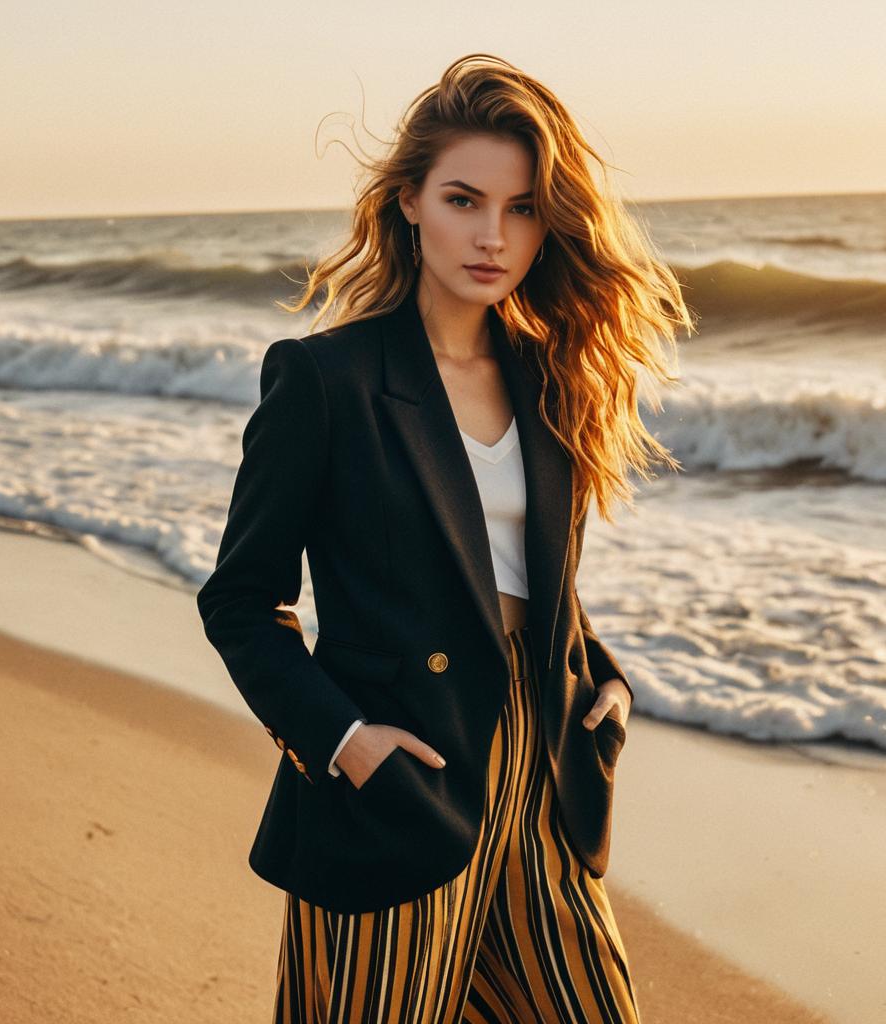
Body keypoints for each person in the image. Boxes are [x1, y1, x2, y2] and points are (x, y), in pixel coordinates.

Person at [196, 52, 693, 1024]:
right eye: (465, 199)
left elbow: (529, 582)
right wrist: (341, 741)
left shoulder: (555, 384)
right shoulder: (325, 381)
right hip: (401, 777)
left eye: (521, 210)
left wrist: (609, 682)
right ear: (410, 199)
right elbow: (242, 601)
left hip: (544, 776)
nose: (491, 235)